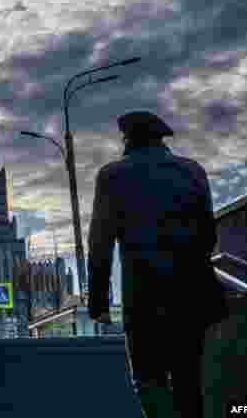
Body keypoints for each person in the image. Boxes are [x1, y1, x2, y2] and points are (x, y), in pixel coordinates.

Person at [88, 111, 228, 418]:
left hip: (144, 298)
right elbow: (208, 236)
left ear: (127, 140)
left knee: (149, 381)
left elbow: (100, 243)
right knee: (188, 383)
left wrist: (98, 302)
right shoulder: (193, 171)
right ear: (161, 138)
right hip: (193, 294)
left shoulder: (112, 175)